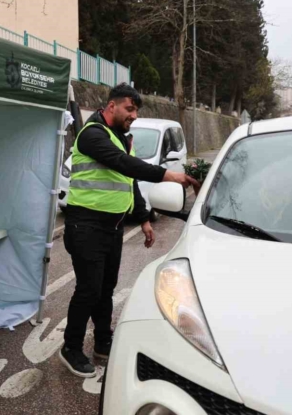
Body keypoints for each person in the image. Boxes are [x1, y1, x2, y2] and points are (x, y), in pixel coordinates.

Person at [59, 84, 199, 378]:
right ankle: (70, 347)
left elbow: (128, 180)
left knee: (106, 289)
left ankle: (102, 342)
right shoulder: (92, 135)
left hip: (113, 227)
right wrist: (168, 175)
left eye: (136, 111)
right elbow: (124, 164)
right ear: (112, 106)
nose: (134, 115)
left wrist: (144, 218)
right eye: (129, 109)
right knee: (89, 290)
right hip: (85, 226)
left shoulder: (122, 138)